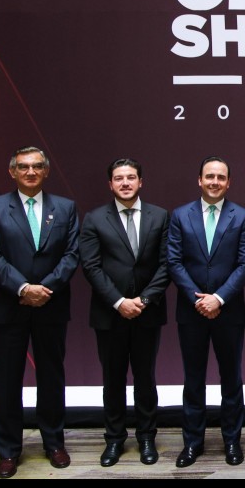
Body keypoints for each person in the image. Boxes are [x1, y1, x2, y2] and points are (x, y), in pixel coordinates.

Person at [0, 146, 80, 478]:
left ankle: (54, 443)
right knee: (7, 381)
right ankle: (8, 450)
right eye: (23, 167)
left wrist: (44, 289)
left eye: (37, 166)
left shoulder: (65, 207)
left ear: (46, 171)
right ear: (12, 172)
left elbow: (72, 254)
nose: (31, 172)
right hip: (9, 307)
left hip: (51, 305)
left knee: (51, 377)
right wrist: (24, 288)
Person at [79, 158, 170, 467]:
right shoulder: (94, 218)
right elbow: (91, 266)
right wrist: (119, 302)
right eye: (119, 178)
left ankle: (146, 438)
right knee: (113, 380)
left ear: (141, 181)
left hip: (147, 312)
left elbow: (167, 263)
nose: (126, 183)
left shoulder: (160, 216)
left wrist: (143, 300)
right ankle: (115, 440)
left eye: (131, 177)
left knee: (146, 379)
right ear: (110, 184)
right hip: (110, 314)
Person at [167, 156, 245, 468]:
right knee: (193, 380)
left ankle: (232, 441)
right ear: (199, 180)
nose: (214, 181)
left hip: (228, 312)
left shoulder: (241, 216)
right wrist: (199, 300)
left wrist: (218, 298)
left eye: (220, 177)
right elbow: (174, 261)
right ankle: (192, 443)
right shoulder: (180, 215)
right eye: (209, 176)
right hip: (191, 312)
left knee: (231, 379)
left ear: (228, 182)